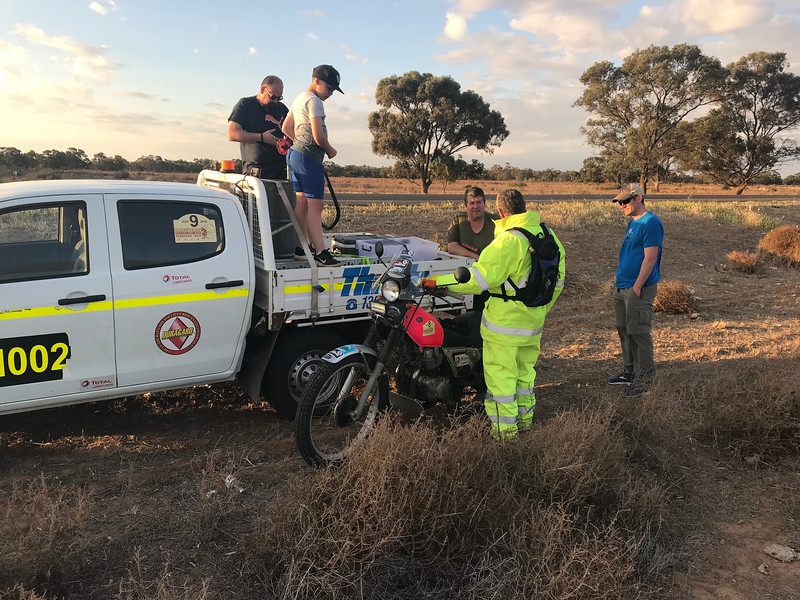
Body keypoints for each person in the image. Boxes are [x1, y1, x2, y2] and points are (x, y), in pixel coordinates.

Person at [433, 189, 566, 440]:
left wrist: (440, 282)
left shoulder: (507, 241)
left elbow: (479, 279)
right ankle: (525, 424)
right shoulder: (549, 236)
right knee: (525, 376)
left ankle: (506, 438)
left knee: (501, 383)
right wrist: (539, 310)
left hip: (503, 327)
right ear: (524, 207)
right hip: (533, 324)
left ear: (501, 212)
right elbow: (557, 282)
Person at [282, 64, 343, 267]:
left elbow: (286, 127)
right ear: (316, 81)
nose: (330, 93)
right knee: (315, 207)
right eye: (329, 88)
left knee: (302, 204)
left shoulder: (299, 98)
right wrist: (330, 150)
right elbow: (318, 136)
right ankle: (320, 252)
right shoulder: (315, 101)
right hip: (309, 159)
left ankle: (301, 247)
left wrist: (298, 142)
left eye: (333, 90)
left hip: (295, 155)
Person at [607, 183, 664, 398]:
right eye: (620, 202)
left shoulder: (651, 223)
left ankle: (645, 380)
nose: (622, 205)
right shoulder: (633, 223)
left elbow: (650, 258)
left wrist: (638, 285)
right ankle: (629, 372)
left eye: (626, 200)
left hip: (638, 288)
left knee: (639, 333)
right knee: (624, 330)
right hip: (622, 286)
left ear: (639, 198)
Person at [446, 186, 499, 312]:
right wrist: (476, 257)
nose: (476, 206)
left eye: (479, 202)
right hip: (466, 273)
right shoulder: (459, 220)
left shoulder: (495, 221)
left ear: (485, 204)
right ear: (466, 205)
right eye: (472, 203)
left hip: (490, 274)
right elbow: (452, 247)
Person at [227, 75, 289, 179]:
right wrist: (261, 137)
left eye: (279, 98)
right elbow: (232, 133)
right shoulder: (245, 105)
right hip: (256, 170)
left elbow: (292, 132)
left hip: (280, 169)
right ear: (262, 89)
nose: (275, 101)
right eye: (273, 97)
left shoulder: (282, 109)